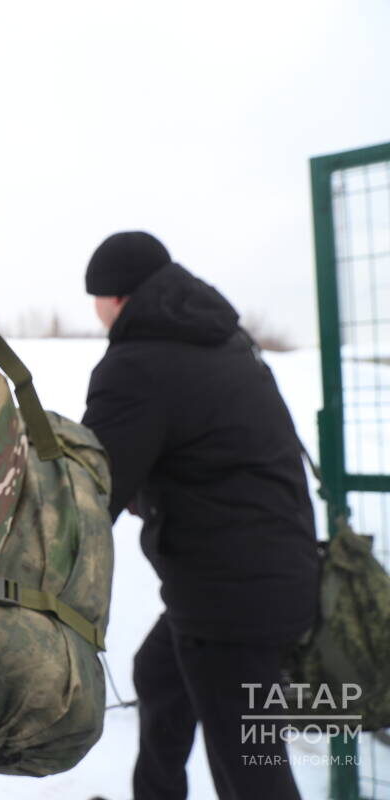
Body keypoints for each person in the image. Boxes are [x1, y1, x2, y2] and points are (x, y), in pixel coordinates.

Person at [80, 232, 319, 800]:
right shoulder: (221, 338)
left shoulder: (138, 364)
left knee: (250, 767)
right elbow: (209, 452)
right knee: (158, 674)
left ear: (115, 297)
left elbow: (90, 490)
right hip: (269, 569)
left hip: (229, 599)